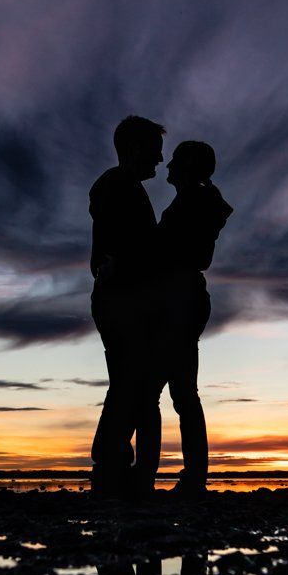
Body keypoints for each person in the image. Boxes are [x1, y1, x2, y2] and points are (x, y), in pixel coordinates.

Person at [88, 115, 165, 498]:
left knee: (131, 384)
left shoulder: (123, 186)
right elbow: (124, 248)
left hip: (125, 298)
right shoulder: (116, 186)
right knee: (130, 385)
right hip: (122, 300)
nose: (160, 160)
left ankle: (120, 468)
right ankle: (110, 465)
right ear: (135, 149)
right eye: (154, 152)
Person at [155, 140, 232, 497]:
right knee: (181, 392)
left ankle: (192, 477)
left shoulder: (195, 202)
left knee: (178, 391)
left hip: (180, 299)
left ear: (188, 168)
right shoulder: (195, 201)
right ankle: (192, 476)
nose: (166, 167)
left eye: (174, 162)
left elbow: (179, 252)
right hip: (182, 297)